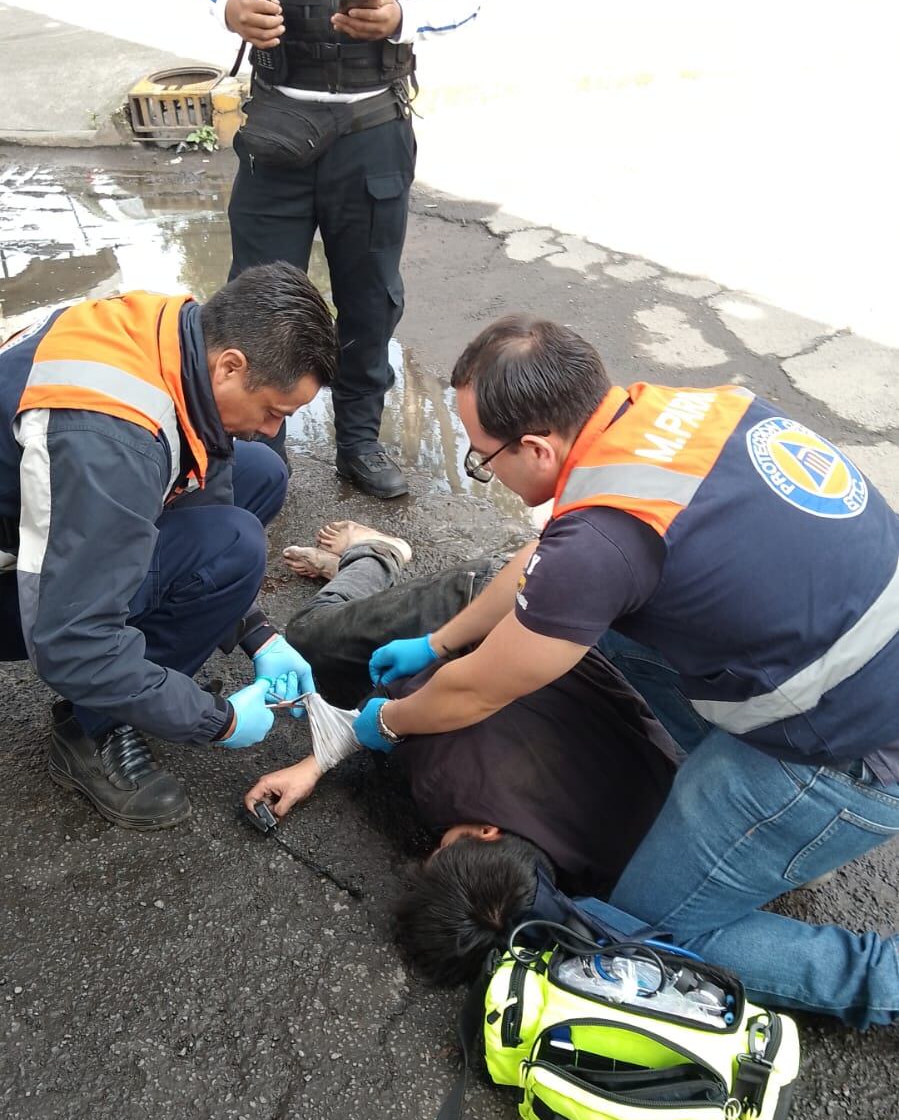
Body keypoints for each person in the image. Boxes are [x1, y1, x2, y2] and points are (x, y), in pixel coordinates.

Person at [351, 315, 899, 1029]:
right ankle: (766, 844)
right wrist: (441, 640)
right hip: (856, 669)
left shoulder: (607, 536)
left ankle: (876, 977)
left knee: (638, 938)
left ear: (536, 448)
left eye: (482, 458)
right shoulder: (673, 413)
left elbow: (486, 684)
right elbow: (551, 563)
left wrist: (388, 719)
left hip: (846, 759)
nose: (484, 469)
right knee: (593, 623)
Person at [244, 518, 679, 981]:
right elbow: (396, 706)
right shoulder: (448, 779)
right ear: (488, 832)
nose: (436, 841)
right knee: (310, 640)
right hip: (507, 598)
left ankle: (372, 597)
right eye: (443, 847)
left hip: (579, 641)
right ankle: (373, 552)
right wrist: (318, 760)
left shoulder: (623, 867)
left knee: (360, 634)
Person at [0, 262, 336, 830]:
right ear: (232, 366)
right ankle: (93, 727)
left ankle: (137, 681)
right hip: (32, 583)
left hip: (39, 515)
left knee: (260, 473)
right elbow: (70, 642)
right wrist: (217, 720)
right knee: (234, 547)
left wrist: (258, 633)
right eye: (276, 411)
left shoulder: (179, 335)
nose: (276, 428)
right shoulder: (112, 438)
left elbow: (210, 487)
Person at [191, 0, 480, 499]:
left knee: (369, 298)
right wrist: (228, 6)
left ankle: (358, 441)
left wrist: (405, 16)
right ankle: (260, 451)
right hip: (277, 130)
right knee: (258, 302)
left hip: (372, 129)